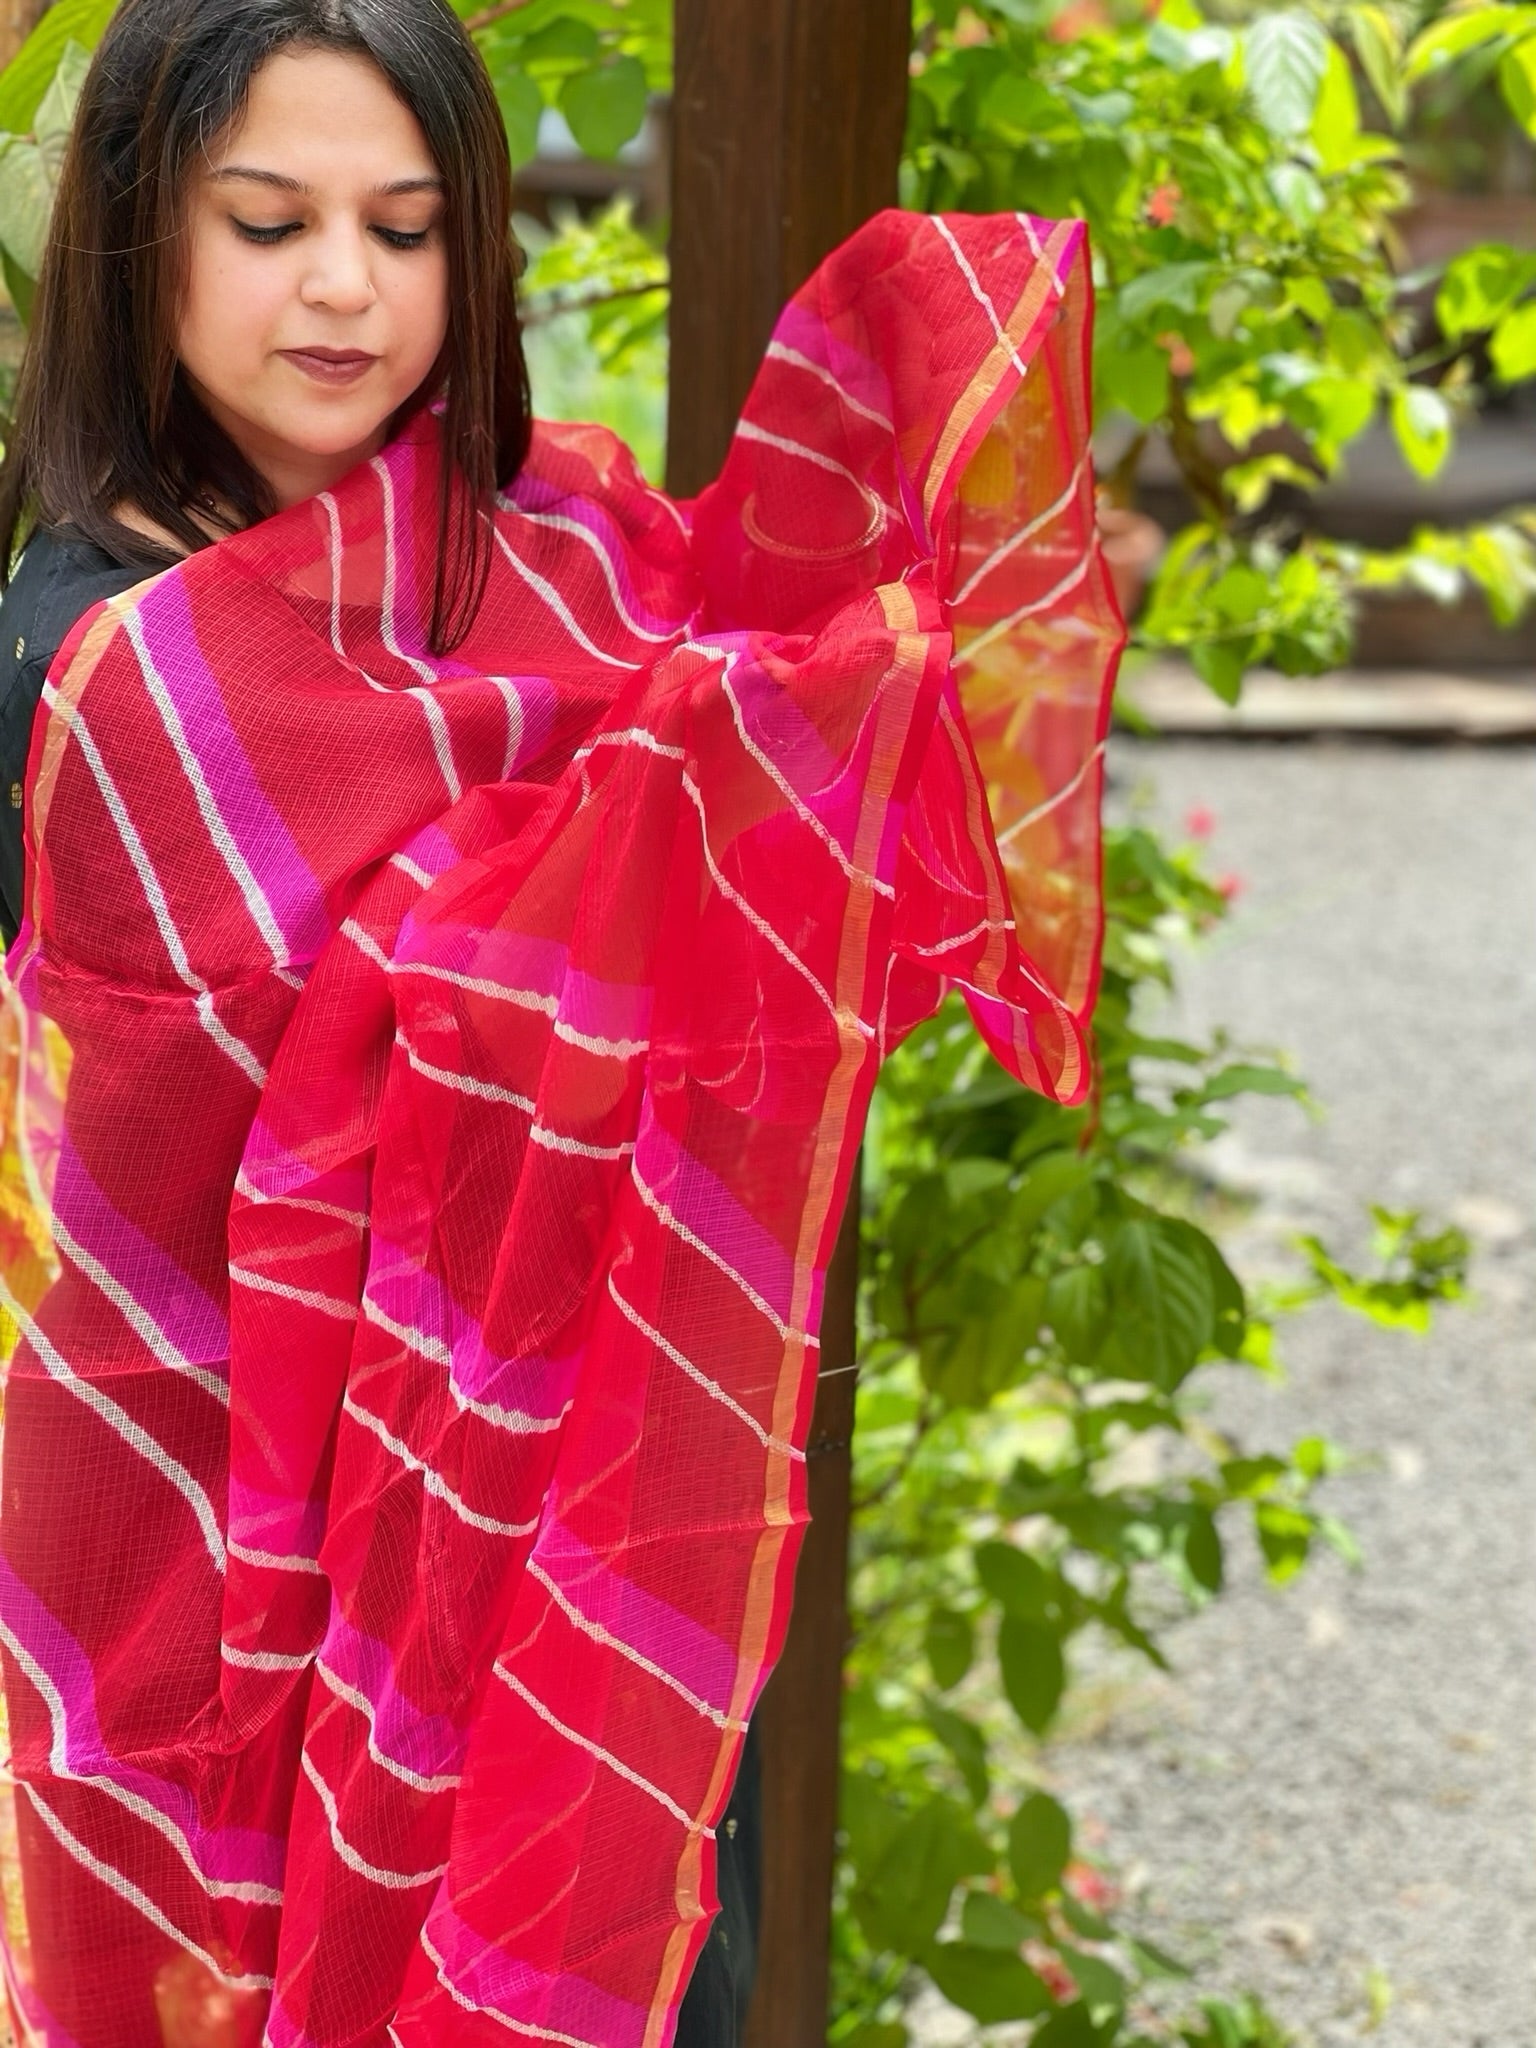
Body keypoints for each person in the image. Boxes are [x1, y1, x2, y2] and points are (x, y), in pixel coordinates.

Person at [0, 1, 1123, 2043]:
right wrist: (675, 804)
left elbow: (729, 760)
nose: (345, 286)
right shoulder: (96, 669)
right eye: (270, 221)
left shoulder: (569, 556)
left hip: (578, 1468)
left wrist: (847, 695)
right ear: (139, 239)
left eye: (408, 227)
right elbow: (132, 1142)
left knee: (626, 1946)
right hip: (201, 1511)